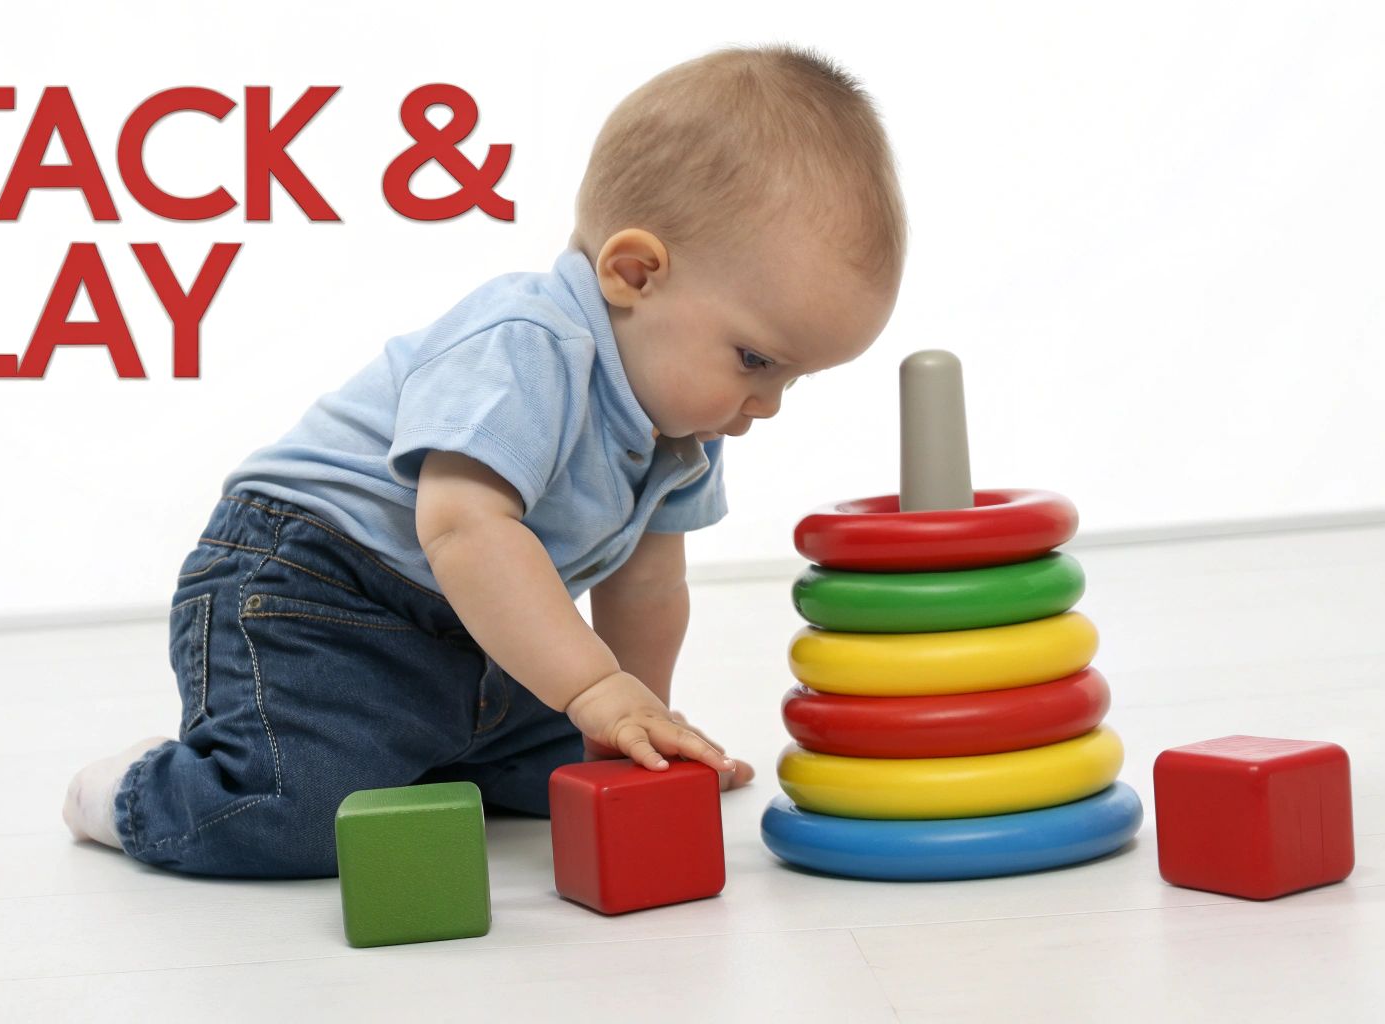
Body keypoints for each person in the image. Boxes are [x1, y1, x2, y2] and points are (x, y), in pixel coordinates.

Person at [62, 42, 907, 877]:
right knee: (299, 814)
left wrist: (631, 716)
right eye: (756, 361)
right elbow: (463, 527)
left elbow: (647, 588)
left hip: (473, 639)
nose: (765, 406)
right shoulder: (529, 343)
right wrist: (591, 688)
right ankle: (141, 792)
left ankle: (424, 749)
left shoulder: (683, 426)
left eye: (794, 379)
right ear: (635, 272)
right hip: (311, 590)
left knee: (571, 777)